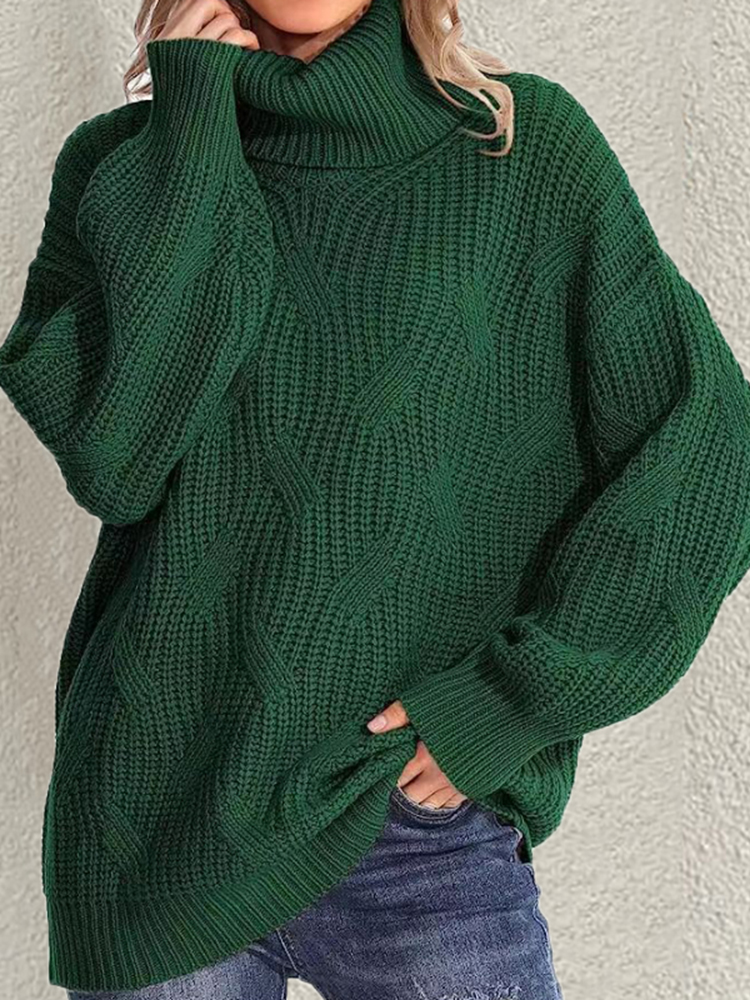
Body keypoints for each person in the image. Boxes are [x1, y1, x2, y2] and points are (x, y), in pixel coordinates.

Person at [1, 0, 749, 996]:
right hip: (154, 827)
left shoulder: (518, 148)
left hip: (415, 834)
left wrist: (508, 700)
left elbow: (707, 451)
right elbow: (119, 461)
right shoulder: (122, 166)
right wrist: (191, 130)